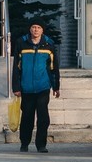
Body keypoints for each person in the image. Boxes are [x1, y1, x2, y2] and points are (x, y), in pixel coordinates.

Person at [12, 20, 60, 153]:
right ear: (30, 29)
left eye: (38, 27)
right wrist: (16, 87)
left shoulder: (48, 44)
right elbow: (16, 67)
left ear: (42, 30)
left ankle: (41, 145)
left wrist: (56, 87)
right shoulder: (22, 42)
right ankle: (24, 143)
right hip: (26, 88)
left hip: (43, 87)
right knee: (27, 117)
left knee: (43, 117)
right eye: (33, 27)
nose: (36, 30)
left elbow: (53, 67)